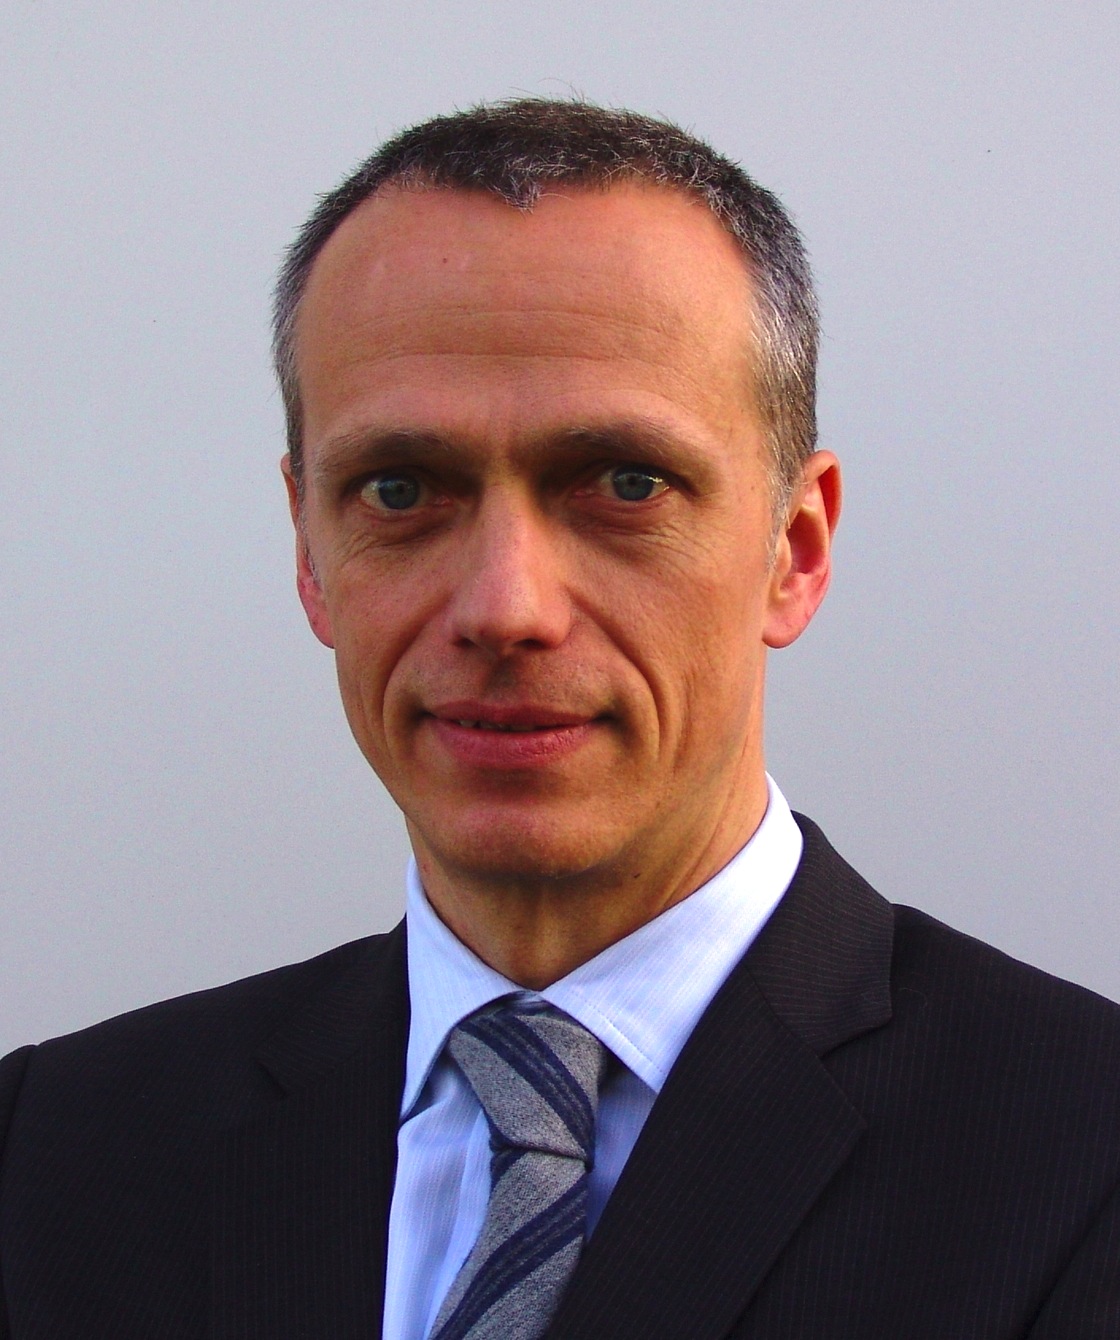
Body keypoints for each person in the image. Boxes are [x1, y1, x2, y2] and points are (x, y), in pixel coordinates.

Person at [1, 98, 1118, 1340]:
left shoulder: (1081, 1160)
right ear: (310, 554)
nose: (505, 607)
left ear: (794, 550)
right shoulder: (51, 1152)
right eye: (399, 489)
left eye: (626, 483)